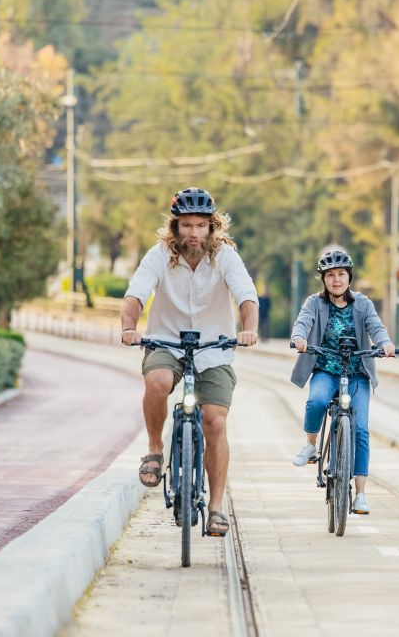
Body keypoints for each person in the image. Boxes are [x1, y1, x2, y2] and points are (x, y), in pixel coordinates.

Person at [120, 187, 259, 537]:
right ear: (175, 226)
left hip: (215, 346)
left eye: (201, 225)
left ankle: (215, 508)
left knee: (215, 422)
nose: (194, 233)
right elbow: (135, 293)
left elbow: (246, 295)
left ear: (212, 226)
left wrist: (249, 329)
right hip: (167, 341)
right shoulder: (159, 254)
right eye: (186, 225)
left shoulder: (225, 256)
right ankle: (154, 449)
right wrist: (128, 326)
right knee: (157, 382)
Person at [290, 248, 396, 514]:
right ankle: (311, 446)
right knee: (316, 401)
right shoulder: (314, 303)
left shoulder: (362, 303)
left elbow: (376, 326)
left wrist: (385, 343)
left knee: (360, 430)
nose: (336, 280)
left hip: (357, 372)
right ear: (323, 279)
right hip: (326, 369)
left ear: (349, 277)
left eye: (341, 274)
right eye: (330, 275)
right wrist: (299, 338)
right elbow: (303, 322)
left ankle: (360, 494)